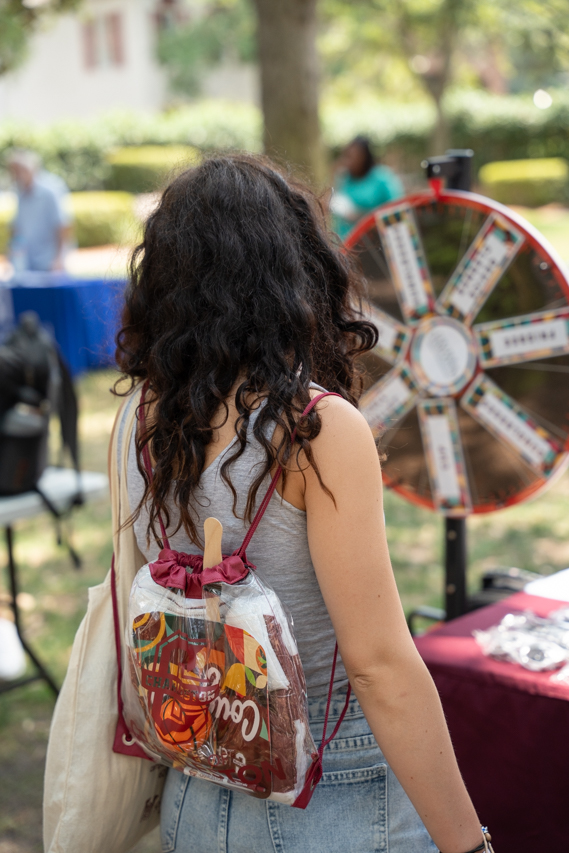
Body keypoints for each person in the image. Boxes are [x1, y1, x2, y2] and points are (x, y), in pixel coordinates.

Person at [112, 154, 491, 853]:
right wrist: (469, 844)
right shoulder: (316, 427)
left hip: (195, 779)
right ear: (296, 270)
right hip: (331, 789)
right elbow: (377, 665)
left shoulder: (142, 413)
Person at [7, 149, 72, 273]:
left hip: (50, 263)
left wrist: (58, 259)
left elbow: (63, 225)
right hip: (29, 264)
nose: (14, 176)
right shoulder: (21, 193)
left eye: (16, 171)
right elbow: (18, 228)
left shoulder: (51, 190)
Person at [331, 135, 404, 240]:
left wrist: (359, 216)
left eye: (352, 156)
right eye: (346, 156)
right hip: (348, 241)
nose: (347, 161)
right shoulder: (344, 179)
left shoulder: (383, 178)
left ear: (364, 157)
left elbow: (397, 209)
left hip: (377, 240)